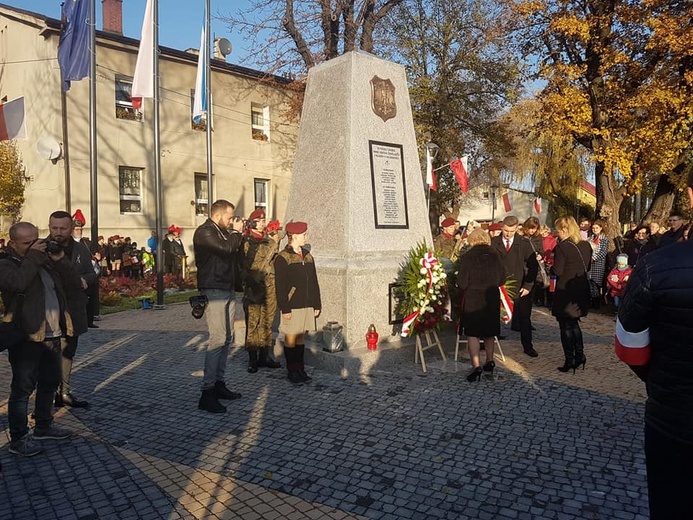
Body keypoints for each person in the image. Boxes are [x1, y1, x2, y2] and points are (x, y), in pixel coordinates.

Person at [615, 172, 693, 520]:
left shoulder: (655, 267)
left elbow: (629, 346)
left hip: (674, 419)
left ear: (690, 197)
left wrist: (661, 379)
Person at [0, 222, 77, 456]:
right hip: (27, 335)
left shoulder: (43, 260)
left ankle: (44, 425)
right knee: (22, 389)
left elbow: (72, 282)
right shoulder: (6, 263)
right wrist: (34, 256)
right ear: (12, 243)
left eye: (36, 240)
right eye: (27, 243)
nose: (35, 246)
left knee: (49, 383)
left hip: (52, 334)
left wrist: (59, 258)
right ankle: (19, 439)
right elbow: (16, 283)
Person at [193, 200, 245, 413]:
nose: (231, 221)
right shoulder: (205, 232)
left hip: (227, 287)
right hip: (213, 289)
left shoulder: (223, 232)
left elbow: (235, 254)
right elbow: (225, 250)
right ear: (218, 215)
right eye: (229, 217)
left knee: (228, 338)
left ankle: (219, 383)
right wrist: (236, 232)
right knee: (217, 339)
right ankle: (207, 393)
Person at [49, 211, 93, 408]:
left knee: (68, 352)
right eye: (54, 228)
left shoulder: (80, 248)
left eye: (62, 228)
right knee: (48, 356)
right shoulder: (41, 248)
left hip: (73, 307)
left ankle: (64, 392)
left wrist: (85, 280)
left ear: (71, 228)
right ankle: (47, 397)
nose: (58, 232)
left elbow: (93, 272)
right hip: (49, 309)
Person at [274, 221, 322, 385]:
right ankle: (292, 370)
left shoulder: (308, 256)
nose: (305, 237)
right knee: (291, 338)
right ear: (293, 236)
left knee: (301, 337)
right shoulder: (283, 257)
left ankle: (300, 368)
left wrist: (317, 304)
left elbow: (314, 281)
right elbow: (280, 285)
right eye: (303, 234)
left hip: (307, 303)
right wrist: (284, 307)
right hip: (292, 305)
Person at [456, 229, 506, 382]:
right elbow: (502, 279)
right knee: (489, 331)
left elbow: (462, 283)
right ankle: (490, 360)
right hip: (491, 297)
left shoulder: (467, 257)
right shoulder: (496, 255)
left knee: (473, 333)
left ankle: (476, 365)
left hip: (474, 297)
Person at [491, 216, 539, 357]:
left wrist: (528, 285)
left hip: (519, 286)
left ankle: (528, 346)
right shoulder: (494, 242)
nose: (508, 234)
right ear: (502, 227)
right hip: (498, 285)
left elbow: (533, 266)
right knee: (492, 315)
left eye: (511, 231)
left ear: (517, 228)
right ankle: (488, 340)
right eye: (506, 230)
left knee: (524, 317)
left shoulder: (523, 243)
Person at [241, 209, 282, 373]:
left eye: (264, 219)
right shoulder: (246, 242)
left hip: (269, 287)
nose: (264, 222)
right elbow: (244, 265)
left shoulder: (269, 241)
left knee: (267, 321)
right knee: (253, 323)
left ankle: (264, 356)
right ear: (252, 223)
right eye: (260, 220)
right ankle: (252, 359)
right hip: (253, 287)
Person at [551, 217, 592, 373]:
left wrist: (550, 268)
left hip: (565, 290)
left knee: (565, 325)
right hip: (581, 289)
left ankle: (570, 359)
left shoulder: (562, 247)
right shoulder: (585, 245)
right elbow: (587, 266)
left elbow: (558, 270)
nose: (557, 234)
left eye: (558, 231)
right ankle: (580, 355)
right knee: (574, 323)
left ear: (565, 230)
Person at [587, 219, 609, 308]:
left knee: (596, 283)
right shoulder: (590, 238)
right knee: (590, 282)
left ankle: (596, 303)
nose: (594, 229)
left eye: (596, 228)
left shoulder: (604, 240)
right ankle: (591, 301)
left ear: (601, 228)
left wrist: (594, 258)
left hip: (598, 264)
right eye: (593, 228)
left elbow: (603, 252)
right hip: (589, 263)